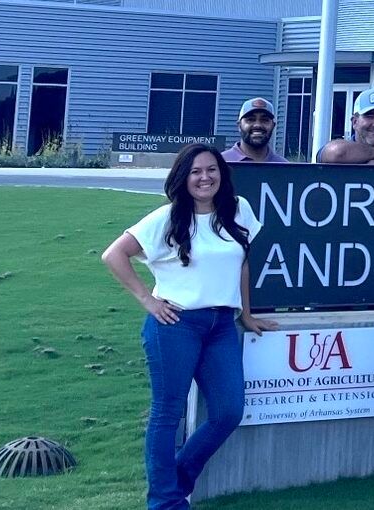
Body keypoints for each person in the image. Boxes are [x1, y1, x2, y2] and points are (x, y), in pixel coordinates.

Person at [101, 143, 280, 509]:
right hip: (176, 325)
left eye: (211, 169)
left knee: (228, 411)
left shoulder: (239, 210)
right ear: (183, 177)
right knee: (167, 412)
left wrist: (245, 314)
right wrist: (148, 300)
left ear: (221, 174)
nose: (204, 177)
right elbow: (113, 254)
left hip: (221, 326)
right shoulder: (166, 218)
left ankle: (176, 479)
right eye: (196, 171)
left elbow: (242, 264)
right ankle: (165, 501)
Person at [220, 98, 289, 163]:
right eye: (250, 119)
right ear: (239, 125)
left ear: (273, 126)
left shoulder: (283, 166)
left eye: (264, 120)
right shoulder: (221, 163)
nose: (257, 125)